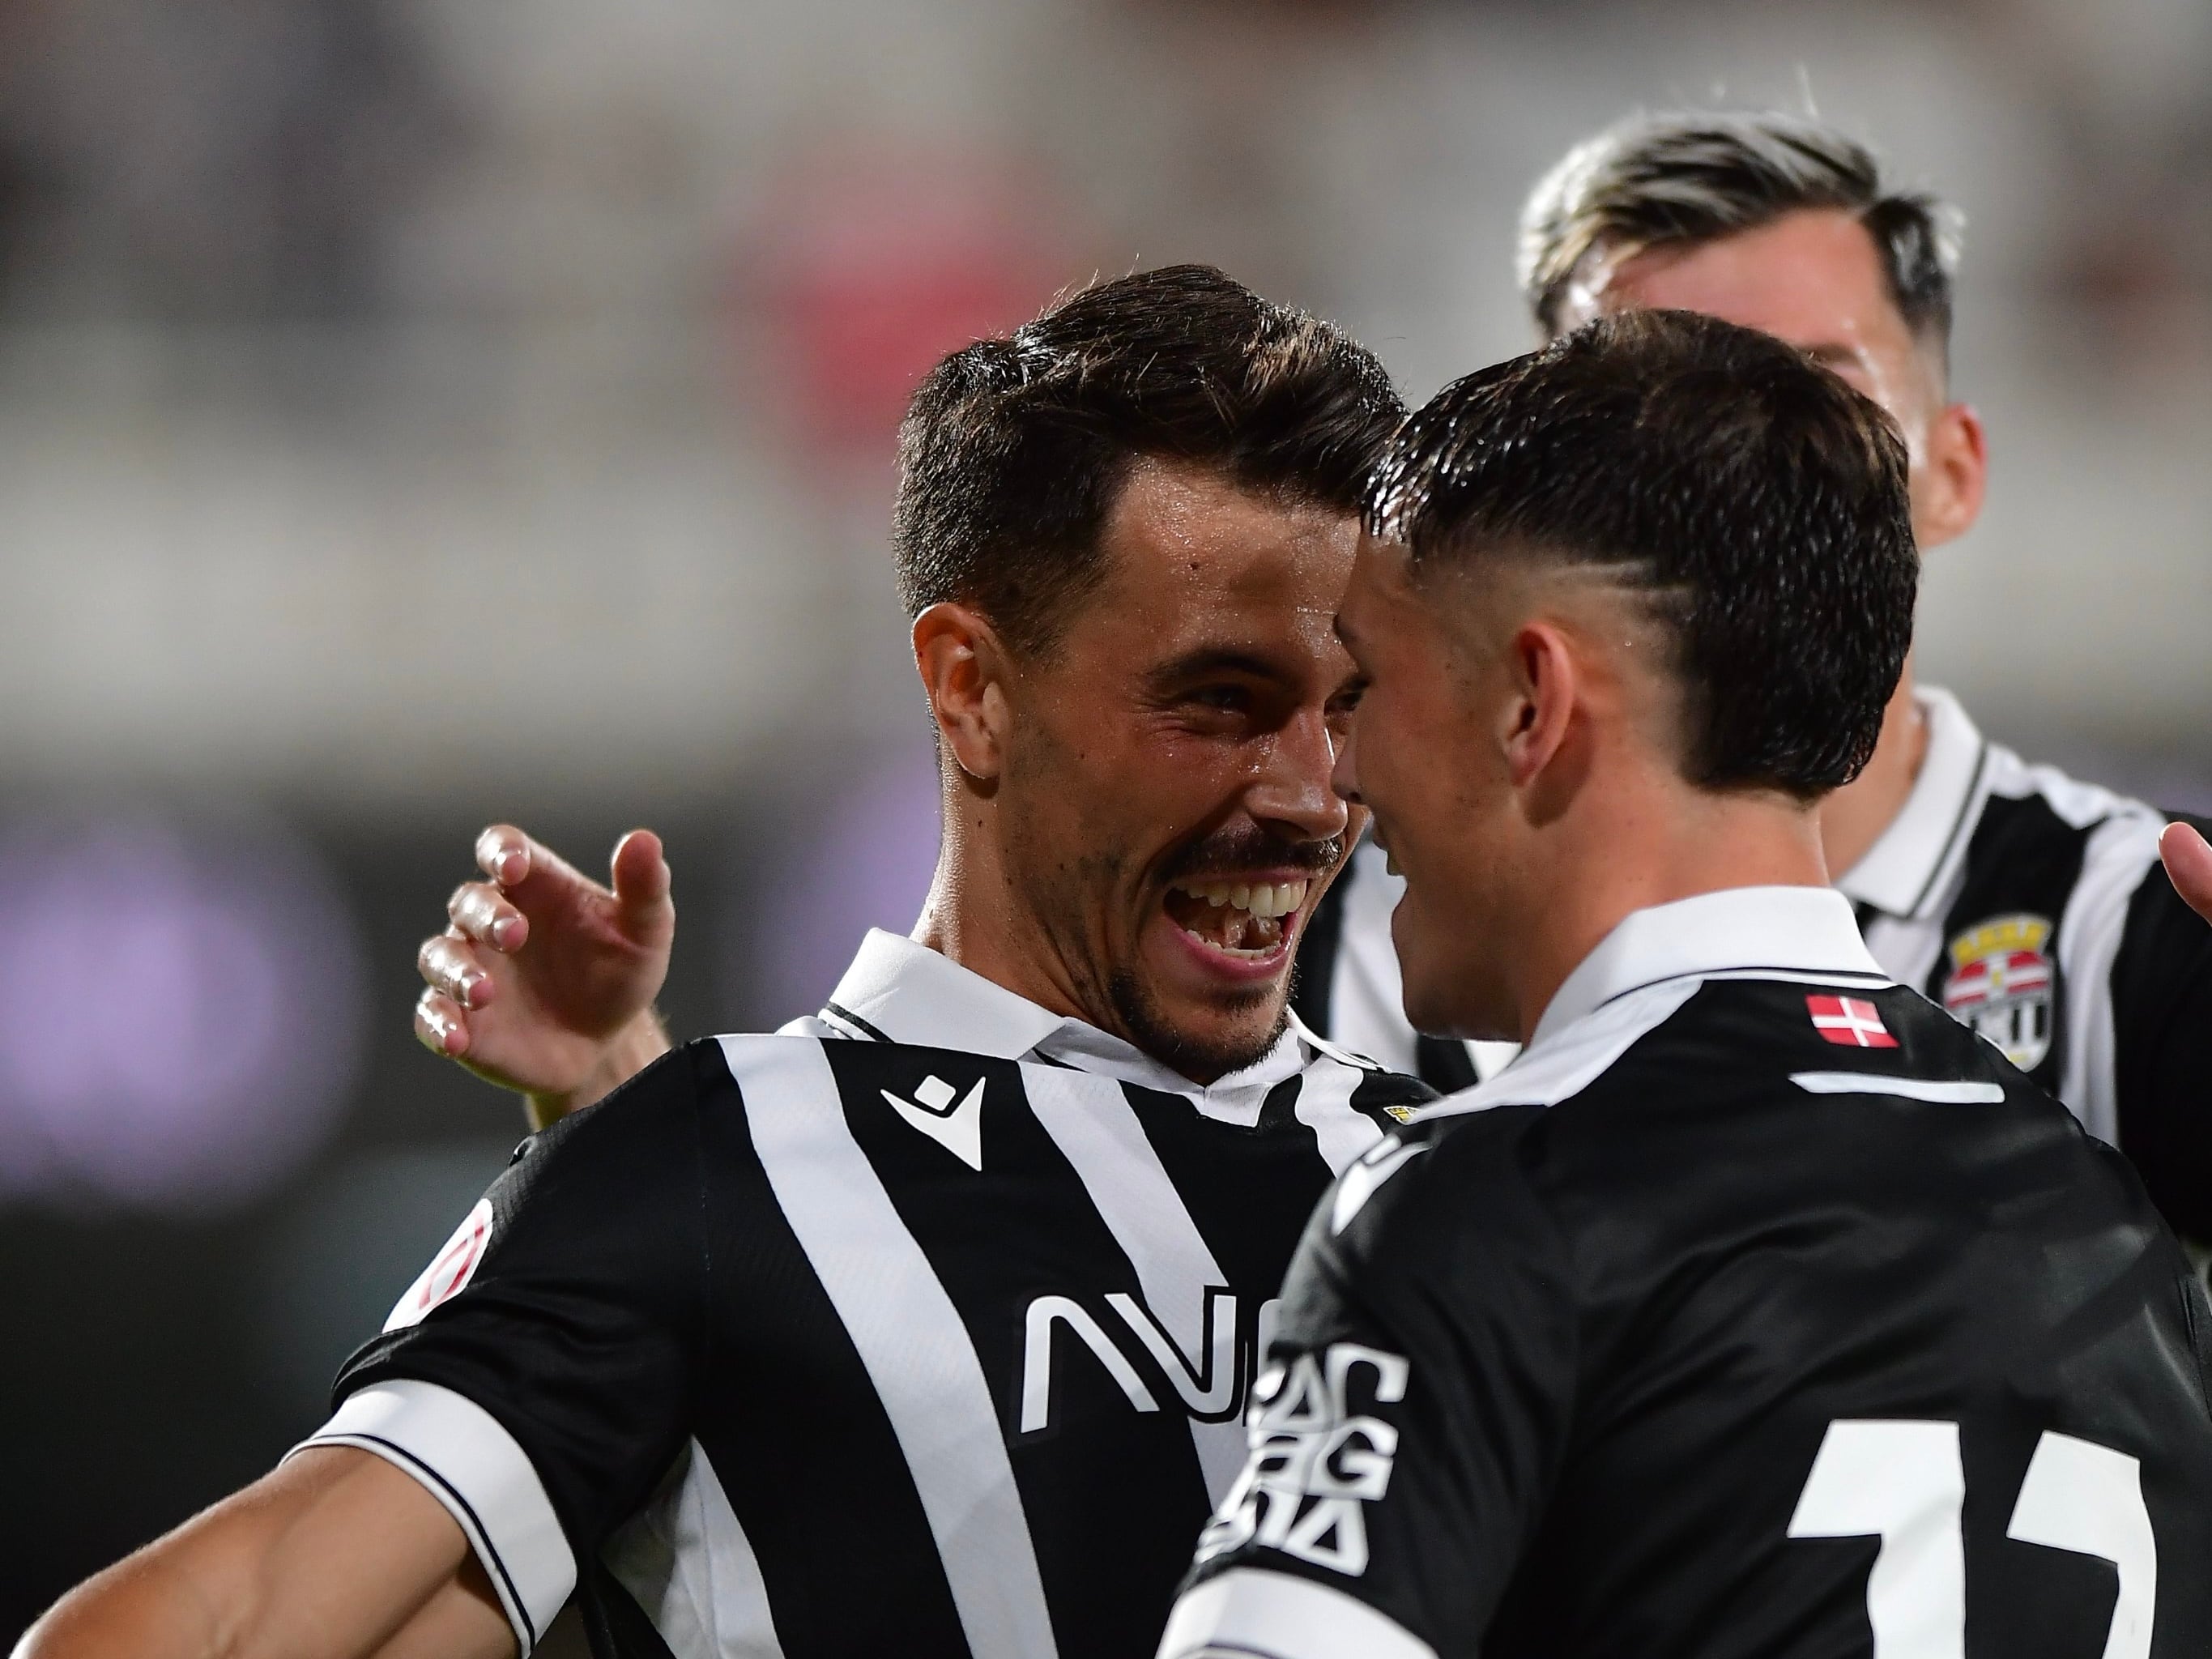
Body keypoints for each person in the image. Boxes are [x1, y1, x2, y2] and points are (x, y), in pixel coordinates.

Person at [15, 267, 1434, 1659]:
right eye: (1220, 702)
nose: (1314, 796)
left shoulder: (1460, 1165)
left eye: (1349, 705)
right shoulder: (720, 1174)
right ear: (973, 691)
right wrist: (633, 1153)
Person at [1159, 308, 2212, 1659]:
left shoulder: (1497, 1202)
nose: (1338, 772)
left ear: (1532, 703)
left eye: (1367, 685)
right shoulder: (2109, 1222)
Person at [1298, 111, 2212, 1256]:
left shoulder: (2138, 925)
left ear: (1957, 473)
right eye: (1641, 404)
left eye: (1810, 386)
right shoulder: (1352, 947)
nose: (1730, 460)